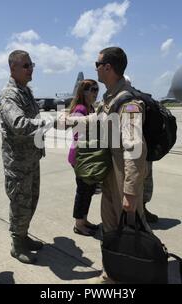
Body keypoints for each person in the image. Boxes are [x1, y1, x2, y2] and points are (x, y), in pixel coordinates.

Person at [95, 47, 150, 283]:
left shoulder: (128, 103)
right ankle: (113, 273)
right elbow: (100, 120)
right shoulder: (110, 98)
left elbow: (135, 150)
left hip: (123, 174)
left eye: (97, 64)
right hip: (111, 173)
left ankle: (144, 269)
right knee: (110, 227)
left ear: (108, 67)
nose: (95, 68)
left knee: (133, 229)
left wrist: (130, 191)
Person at [0, 50, 53, 265]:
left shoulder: (26, 91)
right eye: (26, 66)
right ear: (13, 68)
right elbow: (19, 124)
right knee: (20, 203)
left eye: (32, 65)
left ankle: (23, 235)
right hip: (18, 162)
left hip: (31, 158)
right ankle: (17, 244)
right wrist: (48, 122)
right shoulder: (9, 94)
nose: (31, 69)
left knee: (31, 201)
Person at [67, 79, 100, 237]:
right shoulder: (80, 109)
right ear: (84, 92)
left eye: (96, 89)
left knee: (89, 190)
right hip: (80, 157)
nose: (95, 92)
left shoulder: (91, 108)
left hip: (88, 156)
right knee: (83, 190)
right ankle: (79, 225)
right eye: (92, 89)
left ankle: (84, 220)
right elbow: (78, 134)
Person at [124, 76, 158, 223]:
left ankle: (137, 214)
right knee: (145, 180)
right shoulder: (144, 99)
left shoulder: (130, 103)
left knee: (134, 182)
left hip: (135, 151)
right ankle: (141, 210)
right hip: (149, 148)